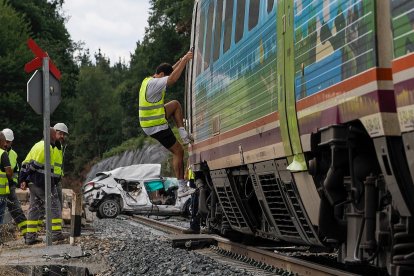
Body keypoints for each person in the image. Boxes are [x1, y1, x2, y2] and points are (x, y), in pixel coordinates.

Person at [138, 50, 195, 197]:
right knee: (179, 152)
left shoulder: (148, 80)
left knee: (175, 104)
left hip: (149, 121)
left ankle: (182, 133)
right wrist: (185, 61)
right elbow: (172, 79)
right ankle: (182, 187)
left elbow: (168, 73)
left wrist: (180, 60)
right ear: (161, 75)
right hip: (155, 125)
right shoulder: (156, 84)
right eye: (166, 76)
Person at [20, 128, 64, 245]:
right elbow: (35, 165)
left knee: (34, 209)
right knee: (54, 205)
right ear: (52, 136)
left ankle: (30, 237)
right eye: (55, 134)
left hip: (32, 183)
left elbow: (25, 162)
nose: (57, 136)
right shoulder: (47, 147)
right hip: (42, 183)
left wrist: (23, 178)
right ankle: (56, 234)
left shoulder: (36, 145)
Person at [2, 128, 27, 237]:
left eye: (8, 142)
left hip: (9, 188)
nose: (6, 144)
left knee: (17, 211)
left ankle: (28, 234)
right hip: (1, 189)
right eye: (5, 141)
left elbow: (16, 170)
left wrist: (15, 182)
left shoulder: (13, 154)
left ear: (11, 142)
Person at [52, 123, 68, 209]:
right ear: (54, 132)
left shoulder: (60, 147)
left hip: (57, 180)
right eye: (60, 133)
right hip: (49, 180)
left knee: (59, 206)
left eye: (63, 134)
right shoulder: (49, 145)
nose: (62, 136)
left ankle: (56, 222)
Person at [0, 132, 14, 225]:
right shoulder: (3, 153)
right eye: (4, 141)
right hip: (1, 192)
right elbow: (9, 172)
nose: (5, 144)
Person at [182, 163, 200, 234]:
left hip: (197, 175)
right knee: (194, 203)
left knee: (196, 203)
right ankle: (194, 226)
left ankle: (194, 226)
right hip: (194, 178)